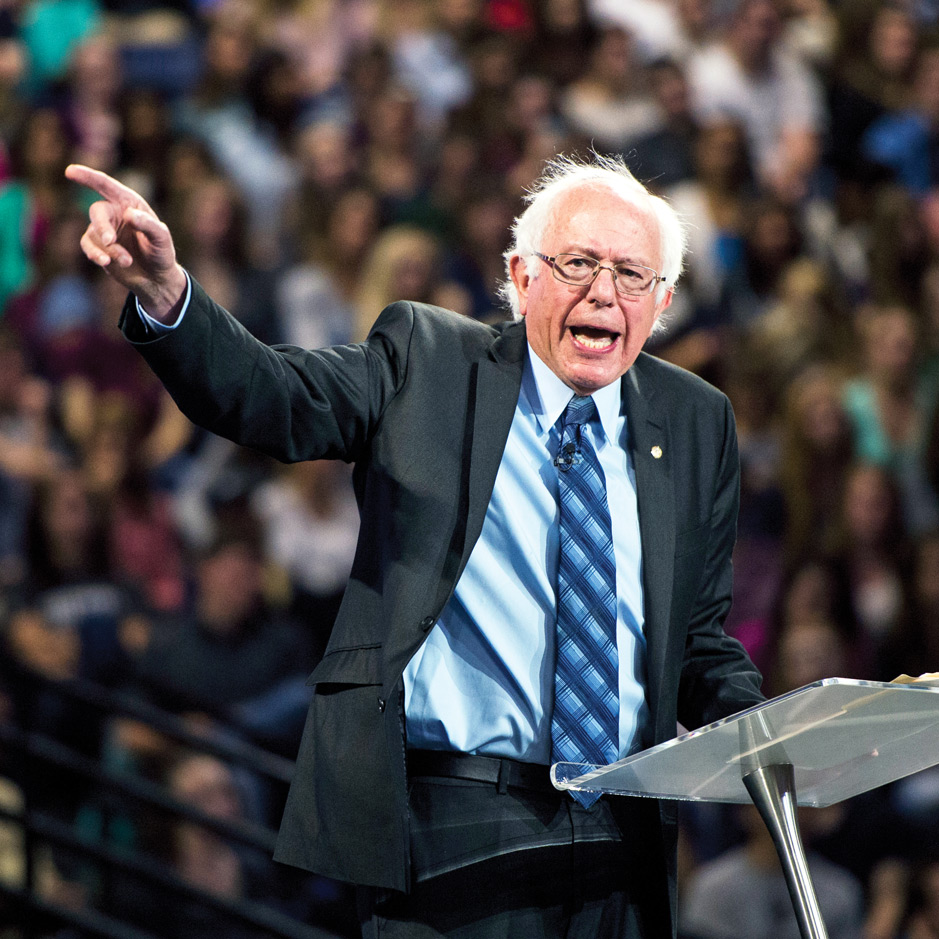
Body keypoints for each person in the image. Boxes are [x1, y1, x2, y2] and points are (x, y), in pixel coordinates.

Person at [66, 152, 765, 939]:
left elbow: (697, 641)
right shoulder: (428, 362)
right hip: (458, 822)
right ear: (521, 276)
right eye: (577, 264)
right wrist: (166, 293)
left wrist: (776, 733)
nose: (604, 291)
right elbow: (272, 396)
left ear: (662, 299)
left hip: (626, 840)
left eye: (632, 274)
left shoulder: (696, 420)